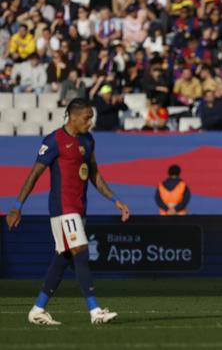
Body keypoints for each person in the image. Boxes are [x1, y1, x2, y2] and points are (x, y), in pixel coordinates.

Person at [5, 98, 131, 325]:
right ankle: (95, 311)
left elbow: (95, 175)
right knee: (80, 252)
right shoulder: (54, 140)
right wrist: (17, 206)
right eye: (87, 118)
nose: (90, 122)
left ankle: (37, 309)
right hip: (63, 209)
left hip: (80, 208)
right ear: (73, 116)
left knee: (63, 259)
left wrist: (115, 200)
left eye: (91, 118)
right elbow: (34, 174)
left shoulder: (88, 141)